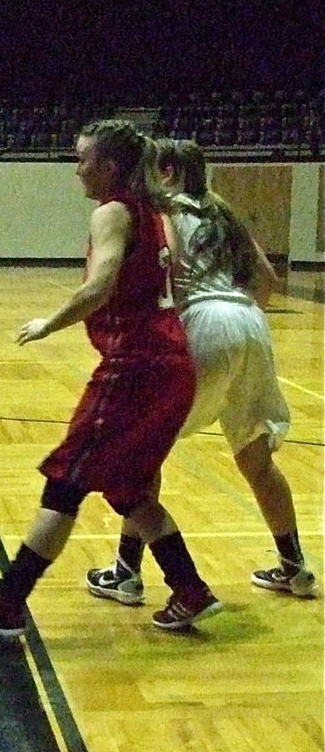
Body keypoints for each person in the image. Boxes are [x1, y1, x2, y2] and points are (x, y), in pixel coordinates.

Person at [0, 119, 222, 638]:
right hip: (169, 367)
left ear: (110, 167)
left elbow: (101, 284)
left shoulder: (113, 212)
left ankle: (7, 602)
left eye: (83, 159)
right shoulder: (154, 213)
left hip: (136, 369)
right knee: (126, 488)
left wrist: (48, 323)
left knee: (66, 483)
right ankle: (190, 589)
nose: (77, 169)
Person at [86, 138, 316, 602]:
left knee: (144, 451)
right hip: (249, 323)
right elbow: (266, 279)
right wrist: (241, 325)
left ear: (167, 172)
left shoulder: (158, 210)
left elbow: (157, 277)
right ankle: (295, 567)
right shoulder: (222, 211)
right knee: (255, 456)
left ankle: (127, 572)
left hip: (200, 321)